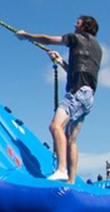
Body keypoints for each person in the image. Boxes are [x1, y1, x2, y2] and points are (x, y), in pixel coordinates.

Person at [16, 16, 102, 184]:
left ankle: (61, 169)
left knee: (55, 126)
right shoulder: (97, 48)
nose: (74, 24)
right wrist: (60, 61)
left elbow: (48, 40)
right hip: (88, 97)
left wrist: (26, 35)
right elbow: (77, 71)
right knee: (71, 139)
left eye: (78, 22)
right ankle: (71, 181)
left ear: (85, 26)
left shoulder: (75, 37)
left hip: (76, 93)